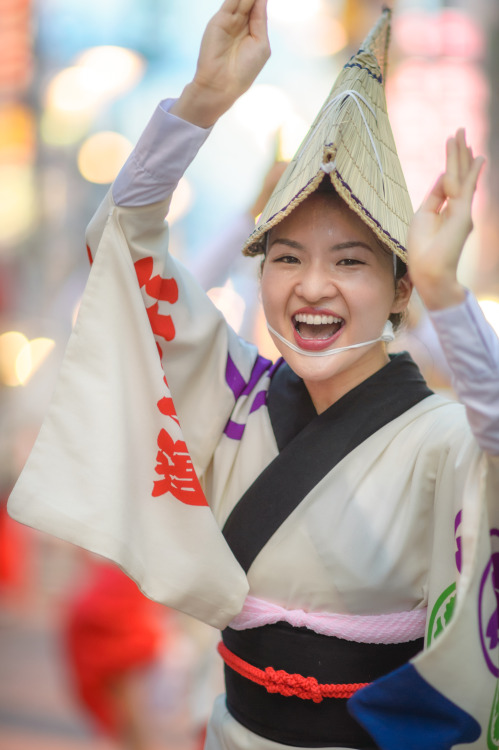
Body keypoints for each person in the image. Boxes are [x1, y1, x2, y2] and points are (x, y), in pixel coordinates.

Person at [8, 1, 499, 748]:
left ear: (400, 290)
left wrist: (447, 290)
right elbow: (120, 250)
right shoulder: (234, 387)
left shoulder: (437, 434)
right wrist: (200, 105)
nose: (310, 286)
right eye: (286, 256)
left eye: (349, 261)